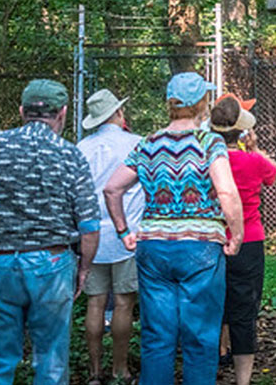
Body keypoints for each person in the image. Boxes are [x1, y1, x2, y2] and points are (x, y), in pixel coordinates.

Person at [0, 79, 100, 384]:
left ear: (22, 111)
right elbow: (89, 225)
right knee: (51, 363)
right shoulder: (69, 155)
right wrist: (84, 269)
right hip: (52, 266)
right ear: (62, 113)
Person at [103, 72, 244, 385]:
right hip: (200, 247)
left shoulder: (149, 142)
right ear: (200, 104)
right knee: (201, 338)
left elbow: (113, 189)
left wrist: (125, 232)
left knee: (157, 337)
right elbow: (226, 191)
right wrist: (236, 233)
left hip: (153, 248)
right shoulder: (210, 142)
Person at [210, 95, 276, 385]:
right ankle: (243, 379)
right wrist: (256, 150)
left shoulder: (208, 160)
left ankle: (211, 364)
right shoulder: (252, 161)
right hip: (249, 239)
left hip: (212, 238)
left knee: (210, 303)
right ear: (242, 131)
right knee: (244, 311)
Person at [77, 89, 142, 384]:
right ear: (118, 114)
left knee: (95, 302)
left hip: (91, 235)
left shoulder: (82, 147)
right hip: (128, 233)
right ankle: (120, 368)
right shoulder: (137, 144)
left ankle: (94, 371)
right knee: (124, 302)